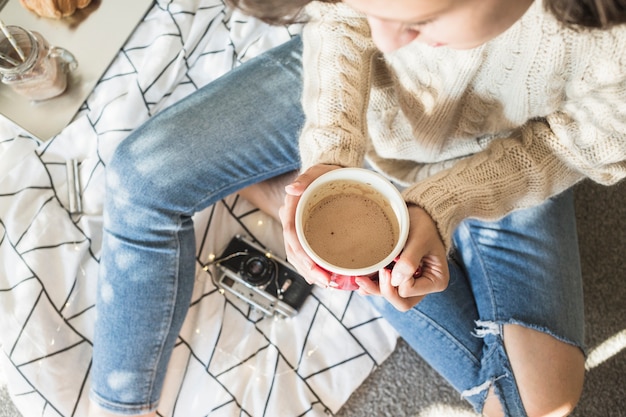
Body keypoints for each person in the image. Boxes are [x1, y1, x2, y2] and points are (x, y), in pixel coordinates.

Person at [89, 0, 626, 416]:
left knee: (542, 399)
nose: (386, 35)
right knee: (139, 176)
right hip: (361, 93)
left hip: (504, 150)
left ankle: (290, 201)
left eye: (420, 20)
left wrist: (442, 206)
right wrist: (328, 152)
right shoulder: (374, 23)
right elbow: (344, 22)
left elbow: (567, 146)